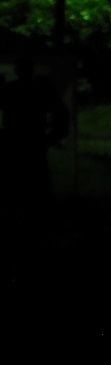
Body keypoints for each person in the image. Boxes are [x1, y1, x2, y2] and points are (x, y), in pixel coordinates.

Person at [0, 55, 70, 273]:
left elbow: (61, 114)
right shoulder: (35, 89)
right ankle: (33, 229)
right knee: (30, 185)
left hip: (22, 145)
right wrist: (53, 135)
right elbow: (61, 113)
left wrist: (53, 135)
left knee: (24, 185)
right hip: (27, 145)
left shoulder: (19, 90)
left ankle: (30, 230)